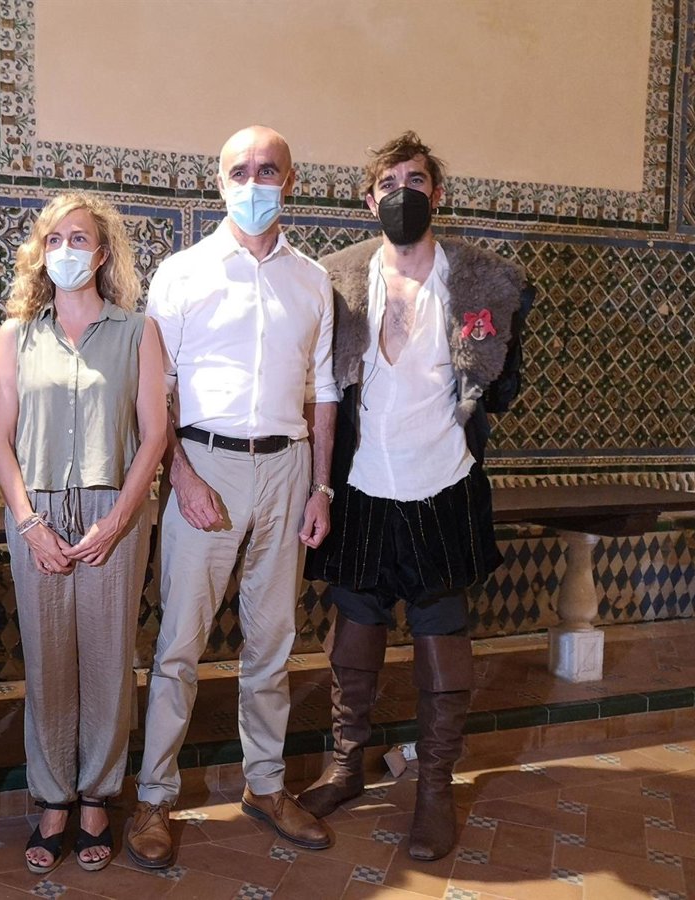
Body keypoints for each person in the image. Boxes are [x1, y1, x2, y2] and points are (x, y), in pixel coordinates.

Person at [300, 131, 533, 861]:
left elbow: (503, 386)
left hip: (444, 483)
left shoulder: (486, 282)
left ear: (438, 193)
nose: (402, 193)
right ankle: (346, 764)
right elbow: (318, 387)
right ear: (368, 199)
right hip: (361, 483)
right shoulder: (335, 279)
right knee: (353, 634)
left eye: (416, 180)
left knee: (442, 638)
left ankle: (435, 786)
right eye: (389, 182)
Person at [125, 125, 338, 870]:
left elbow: (324, 392)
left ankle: (266, 785)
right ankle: (154, 796)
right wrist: (180, 474)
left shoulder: (312, 281)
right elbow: (156, 390)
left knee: (272, 641)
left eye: (268, 170)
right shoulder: (182, 274)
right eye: (240, 171)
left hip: (288, 466)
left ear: (290, 181)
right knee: (179, 644)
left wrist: (321, 487)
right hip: (205, 463)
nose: (254, 183)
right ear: (219, 183)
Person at [0, 192, 167, 874]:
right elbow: (0, 439)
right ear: (41, 252)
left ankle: (97, 795)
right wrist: (28, 522)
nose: (67, 250)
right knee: (46, 660)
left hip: (111, 509)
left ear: (102, 252)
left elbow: (154, 435)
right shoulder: (16, 336)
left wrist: (118, 519)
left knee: (107, 659)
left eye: (81, 238)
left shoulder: (137, 331)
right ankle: (52, 798)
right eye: (55, 239)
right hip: (35, 511)